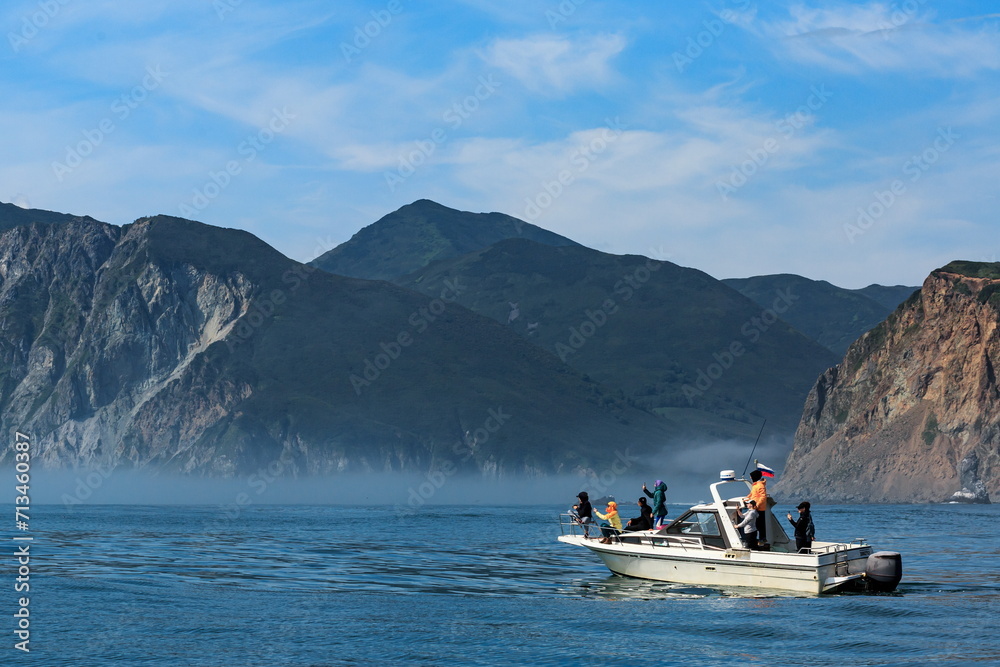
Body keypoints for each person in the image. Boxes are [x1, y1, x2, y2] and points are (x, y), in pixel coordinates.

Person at [744, 470, 768, 543]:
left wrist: (757, 504)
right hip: (755, 507)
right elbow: (752, 494)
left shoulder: (760, 485)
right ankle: (758, 539)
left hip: (759, 508)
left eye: (751, 476)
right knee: (756, 524)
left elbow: (763, 496)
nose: (750, 477)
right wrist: (746, 498)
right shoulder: (755, 485)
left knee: (760, 525)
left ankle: (762, 539)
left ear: (755, 476)